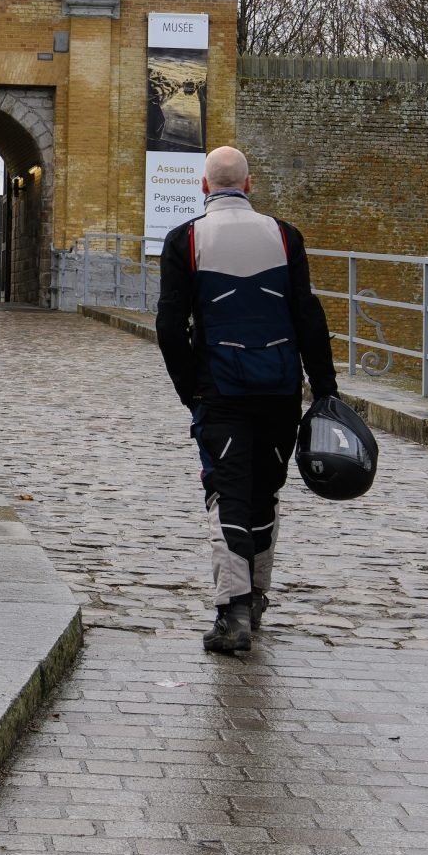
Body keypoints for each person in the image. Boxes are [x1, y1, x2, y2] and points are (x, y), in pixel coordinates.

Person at [153, 144, 339, 656]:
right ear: (249, 185)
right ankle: (255, 598)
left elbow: (169, 327)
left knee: (226, 493)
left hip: (221, 391)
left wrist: (189, 389)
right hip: (280, 389)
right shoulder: (285, 237)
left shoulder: (185, 239)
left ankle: (231, 610)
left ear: (204, 186)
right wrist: (324, 390)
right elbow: (308, 318)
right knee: (264, 493)